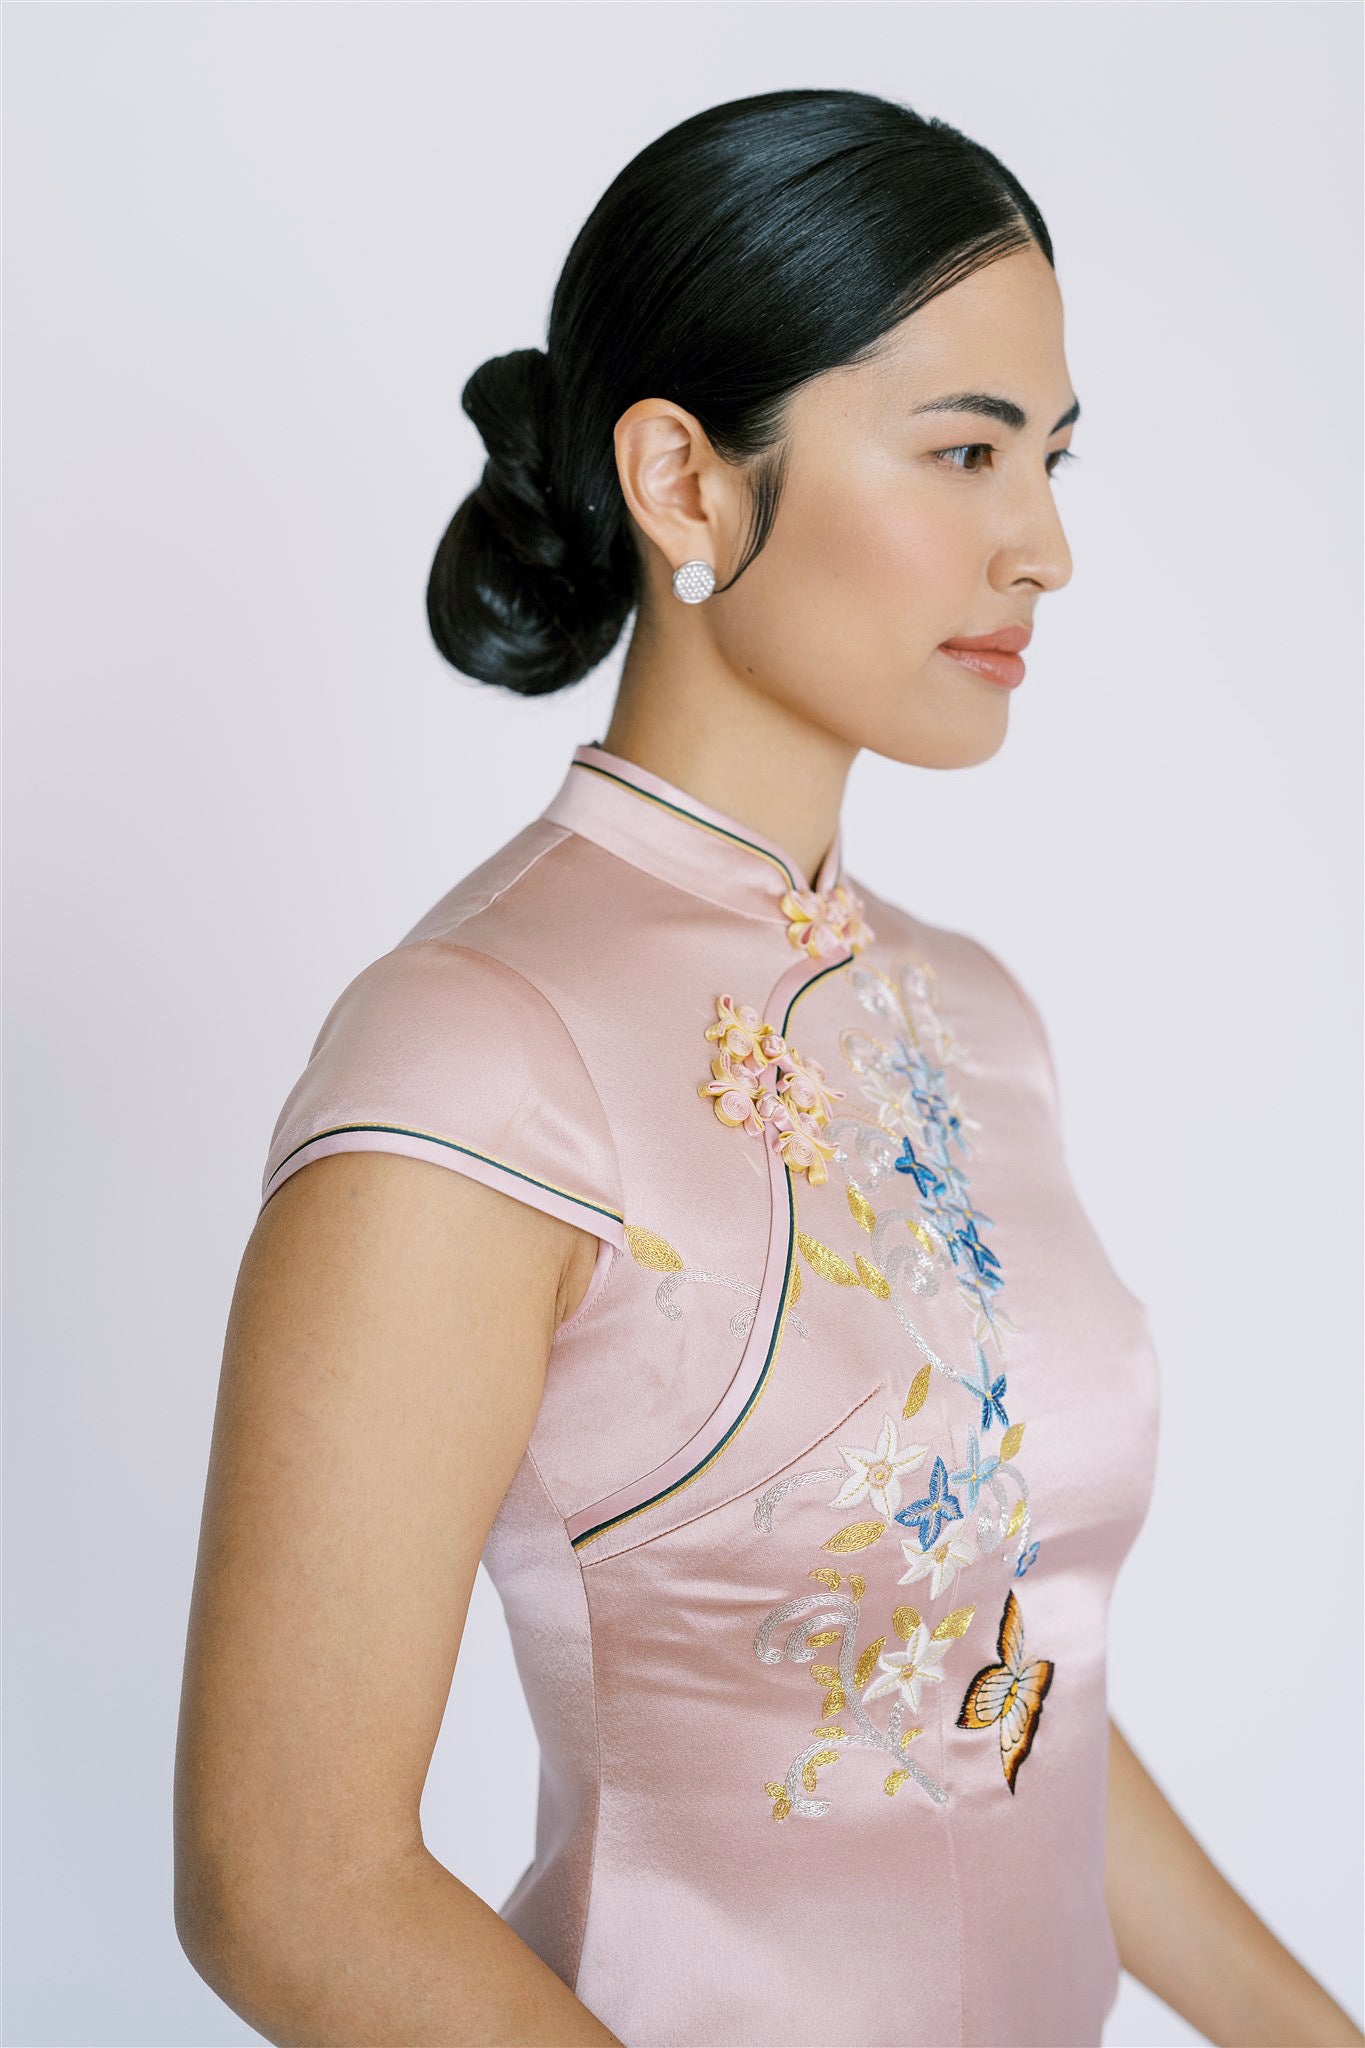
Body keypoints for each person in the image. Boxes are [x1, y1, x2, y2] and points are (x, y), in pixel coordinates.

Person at [173, 87, 1363, 2048]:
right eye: (962, 449)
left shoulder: (969, 1014)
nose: (1042, 543)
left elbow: (1002, 1677)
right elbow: (290, 1884)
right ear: (684, 479)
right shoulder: (478, 1047)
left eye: (1048, 457)